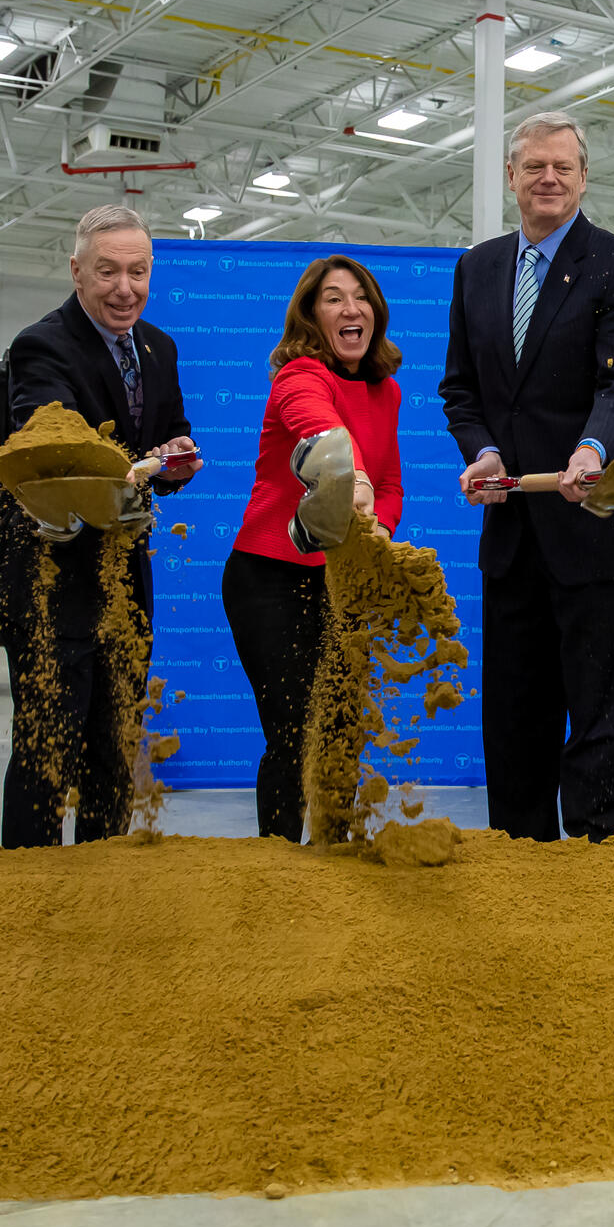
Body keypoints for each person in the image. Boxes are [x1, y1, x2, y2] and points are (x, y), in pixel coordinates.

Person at [439, 111, 614, 841]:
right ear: (511, 176)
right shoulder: (477, 269)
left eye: (563, 166)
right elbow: (461, 389)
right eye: (534, 166)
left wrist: (594, 449)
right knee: (513, 712)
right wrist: (483, 451)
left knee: (598, 709)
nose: (549, 178)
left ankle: (596, 866)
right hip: (511, 536)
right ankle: (520, 860)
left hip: (590, 531)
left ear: (584, 176)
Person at [0, 203, 198, 846]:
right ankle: (32, 880)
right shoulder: (41, 343)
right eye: (107, 273)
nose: (124, 288)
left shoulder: (159, 346)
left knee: (114, 740)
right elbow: (58, 446)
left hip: (123, 570)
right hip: (50, 570)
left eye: (137, 272)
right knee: (49, 744)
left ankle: (104, 874)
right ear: (77, 272)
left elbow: (169, 432)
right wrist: (145, 465)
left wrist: (177, 457)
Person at [224, 255, 404, 842]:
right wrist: (351, 477)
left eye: (360, 297)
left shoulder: (387, 391)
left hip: (341, 580)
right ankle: (279, 864)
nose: (351, 309)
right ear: (311, 316)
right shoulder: (299, 376)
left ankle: (332, 857)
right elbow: (320, 431)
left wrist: (376, 523)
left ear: (375, 312)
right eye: (333, 298)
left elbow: (393, 482)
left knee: (344, 726)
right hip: (270, 577)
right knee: (296, 727)